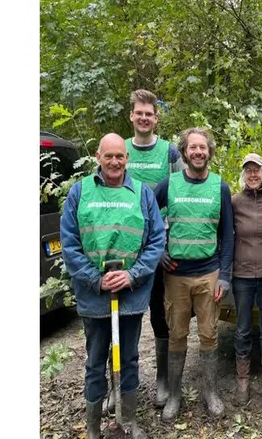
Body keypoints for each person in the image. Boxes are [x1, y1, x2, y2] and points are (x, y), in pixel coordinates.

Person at [60, 133, 165, 439]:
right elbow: (69, 243)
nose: (115, 162)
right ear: (98, 157)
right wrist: (96, 278)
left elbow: (156, 240)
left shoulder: (142, 194)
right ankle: (93, 428)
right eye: (109, 156)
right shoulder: (80, 193)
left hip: (130, 295)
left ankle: (127, 420)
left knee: (129, 357)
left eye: (120, 156)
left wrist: (132, 275)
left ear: (127, 158)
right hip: (94, 297)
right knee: (95, 362)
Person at [153, 127, 235, 421]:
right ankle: (174, 395)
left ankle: (210, 393)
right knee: (176, 335)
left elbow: (228, 234)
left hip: (209, 274)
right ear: (184, 152)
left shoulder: (219, 187)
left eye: (203, 148)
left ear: (209, 152)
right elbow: (146, 212)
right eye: (192, 148)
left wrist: (225, 275)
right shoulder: (169, 183)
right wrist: (157, 252)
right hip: (175, 276)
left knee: (209, 334)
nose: (198, 152)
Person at [113, 89, 184, 410]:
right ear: (132, 116)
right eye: (138, 112)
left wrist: (168, 244)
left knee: (159, 314)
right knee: (121, 315)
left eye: (149, 113)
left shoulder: (169, 153)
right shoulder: (119, 151)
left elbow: (181, 197)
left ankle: (162, 381)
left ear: (156, 117)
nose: (144, 118)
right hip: (123, 250)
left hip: (157, 249)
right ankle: (119, 384)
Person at [231, 153, 262, 405]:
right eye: (248, 170)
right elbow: (225, 234)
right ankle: (243, 380)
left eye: (256, 170)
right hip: (242, 275)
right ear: (243, 175)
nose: (252, 174)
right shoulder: (234, 201)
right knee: (242, 329)